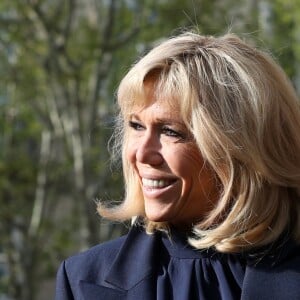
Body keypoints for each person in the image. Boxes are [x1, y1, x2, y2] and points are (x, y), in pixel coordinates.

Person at [55, 31, 300, 300]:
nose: (142, 153)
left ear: (240, 148)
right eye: (136, 126)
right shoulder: (82, 279)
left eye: (170, 131)